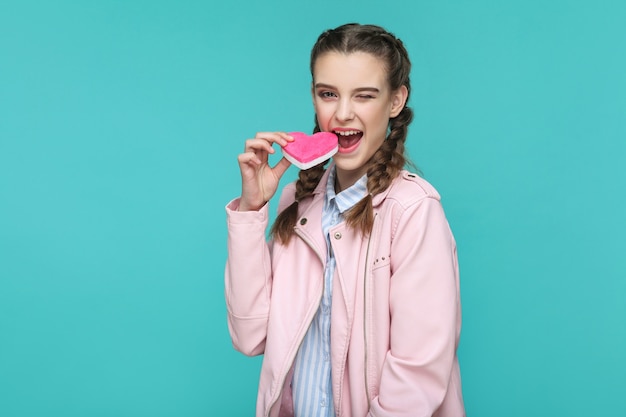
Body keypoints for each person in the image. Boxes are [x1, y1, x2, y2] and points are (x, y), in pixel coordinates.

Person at [225, 23, 465, 417]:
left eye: (364, 95)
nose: (342, 113)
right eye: (328, 94)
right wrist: (252, 212)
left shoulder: (414, 211)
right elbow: (250, 335)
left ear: (395, 101)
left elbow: (416, 377)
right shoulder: (294, 203)